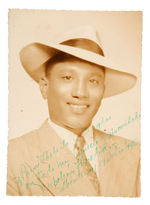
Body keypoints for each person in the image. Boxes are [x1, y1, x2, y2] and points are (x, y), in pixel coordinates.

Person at [7, 26, 140, 197]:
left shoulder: (135, 155)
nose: (81, 93)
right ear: (44, 87)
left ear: (103, 90)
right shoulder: (11, 157)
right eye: (67, 77)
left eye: (93, 81)